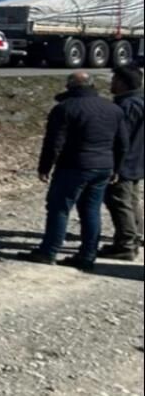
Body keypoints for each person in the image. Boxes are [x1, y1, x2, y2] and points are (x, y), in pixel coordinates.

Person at [20, 72, 127, 271]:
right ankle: (87, 256)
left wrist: (45, 167)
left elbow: (54, 142)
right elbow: (122, 143)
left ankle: (49, 251)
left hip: (74, 165)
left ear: (70, 86)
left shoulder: (65, 108)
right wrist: (117, 168)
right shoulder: (113, 109)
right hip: (104, 165)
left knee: (59, 208)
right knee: (91, 210)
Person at [102, 66, 144, 260]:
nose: (111, 83)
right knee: (131, 199)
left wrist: (114, 164)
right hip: (138, 160)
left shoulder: (127, 105)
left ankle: (126, 245)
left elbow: (120, 138)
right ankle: (136, 235)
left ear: (122, 83)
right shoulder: (140, 101)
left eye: (114, 79)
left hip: (125, 161)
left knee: (119, 201)